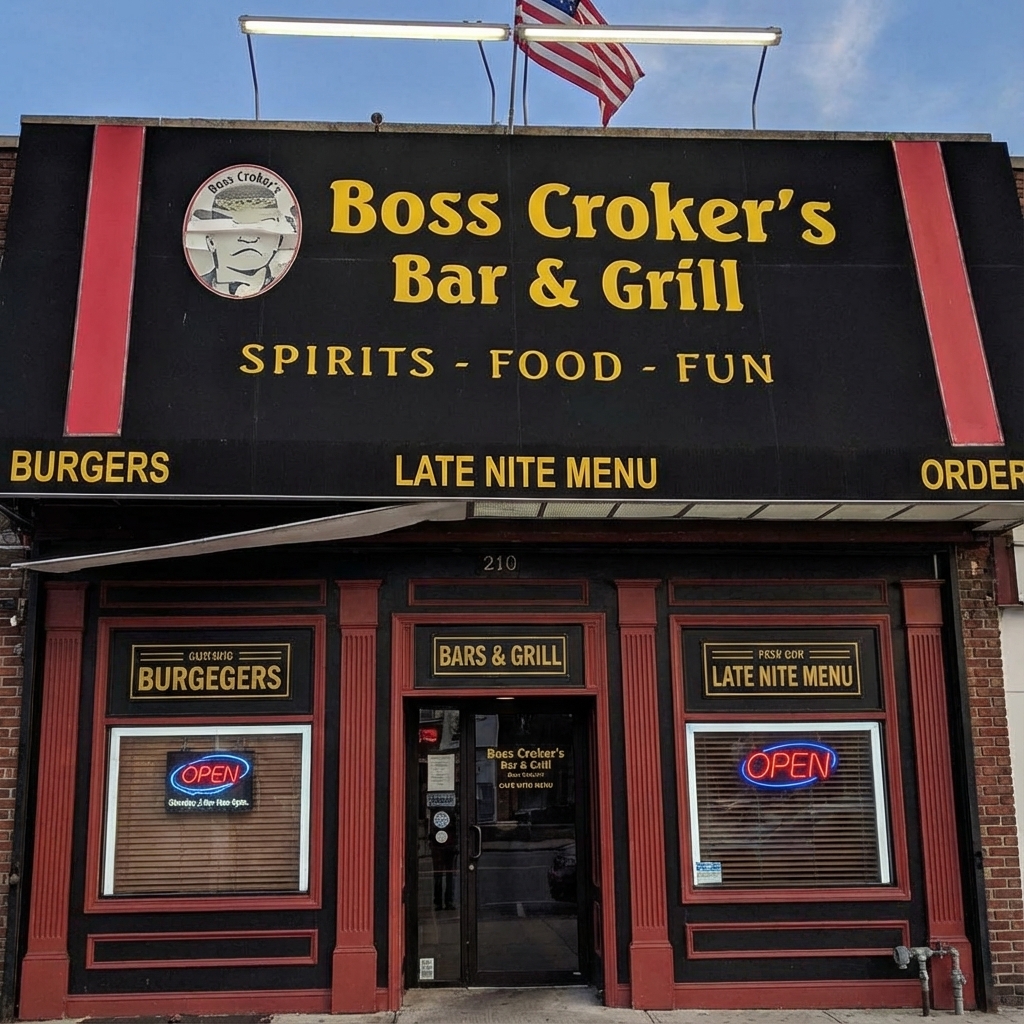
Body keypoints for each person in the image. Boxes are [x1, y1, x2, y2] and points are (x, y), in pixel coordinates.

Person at [188, 183, 297, 297]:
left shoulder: (293, 292)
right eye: (234, 227)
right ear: (211, 241)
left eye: (265, 226)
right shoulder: (189, 289)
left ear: (279, 240)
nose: (249, 238)